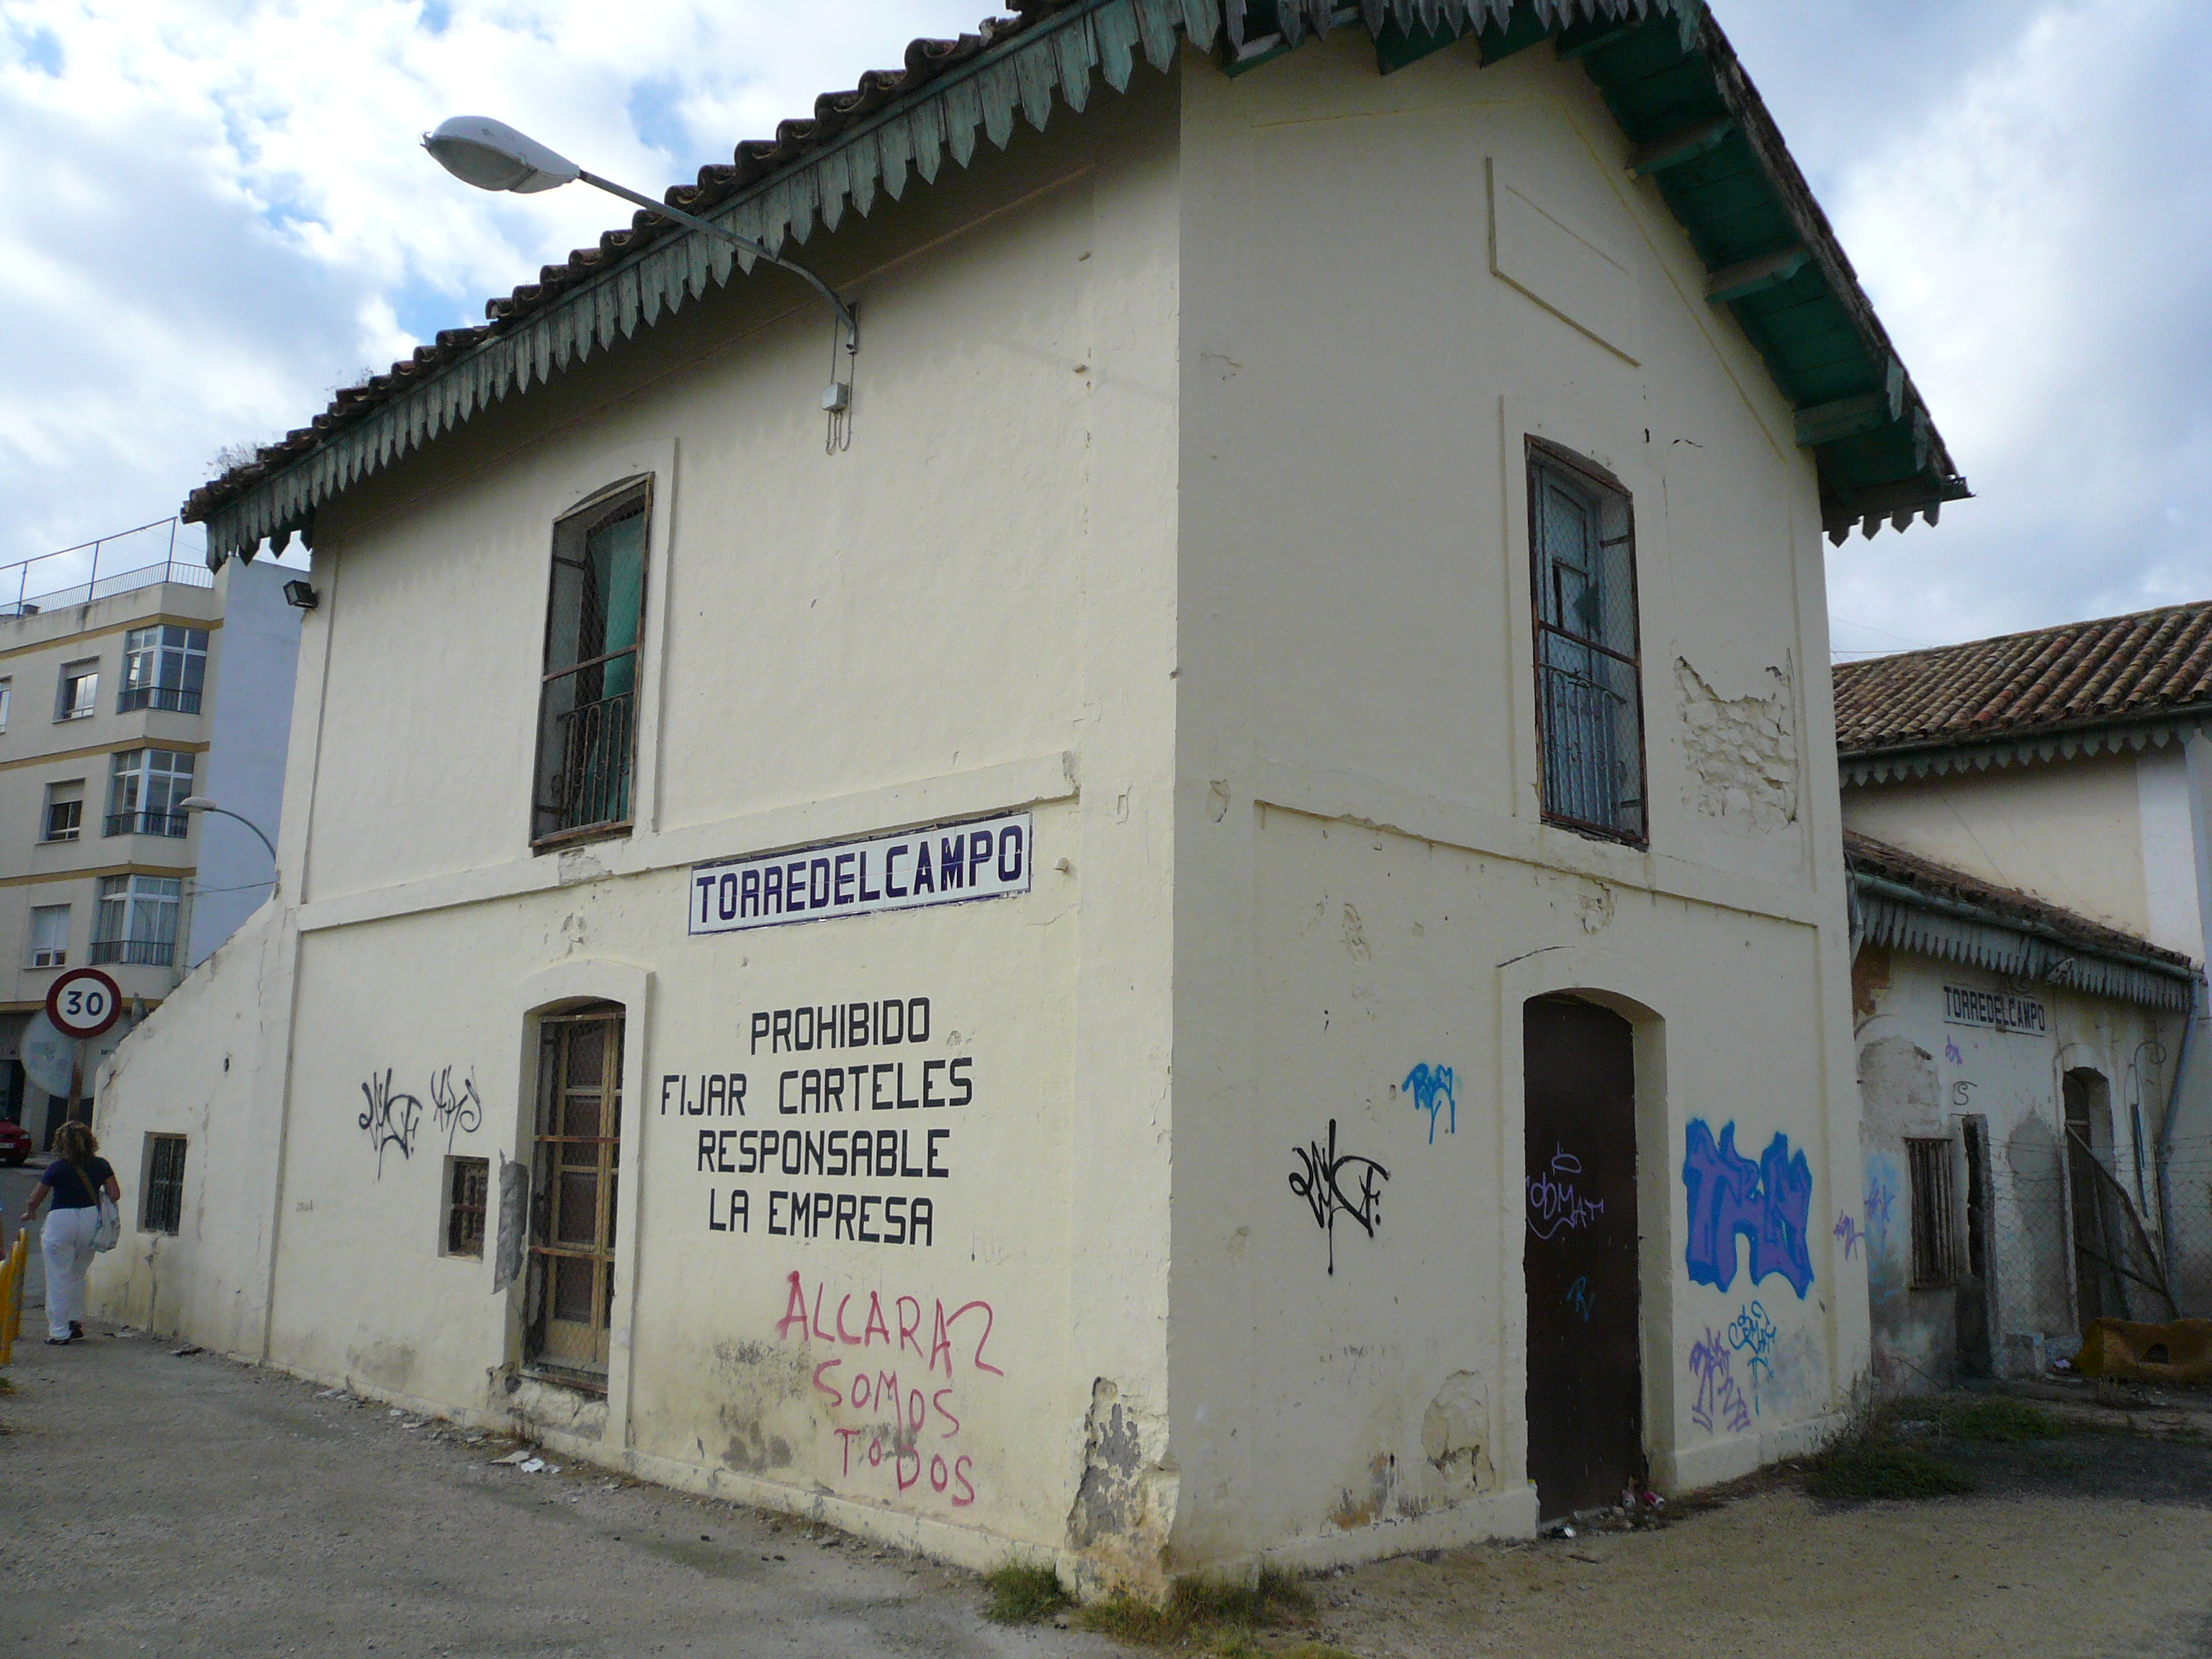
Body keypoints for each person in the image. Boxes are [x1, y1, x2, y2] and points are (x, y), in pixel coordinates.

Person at [18, 1121, 119, 1345]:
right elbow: (115, 1194)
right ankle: (74, 1321)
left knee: (58, 1276)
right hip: (90, 1220)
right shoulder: (102, 1165)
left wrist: (30, 1212)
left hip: (60, 1221)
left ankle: (59, 1331)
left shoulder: (57, 1167)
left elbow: (35, 1198)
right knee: (77, 1273)